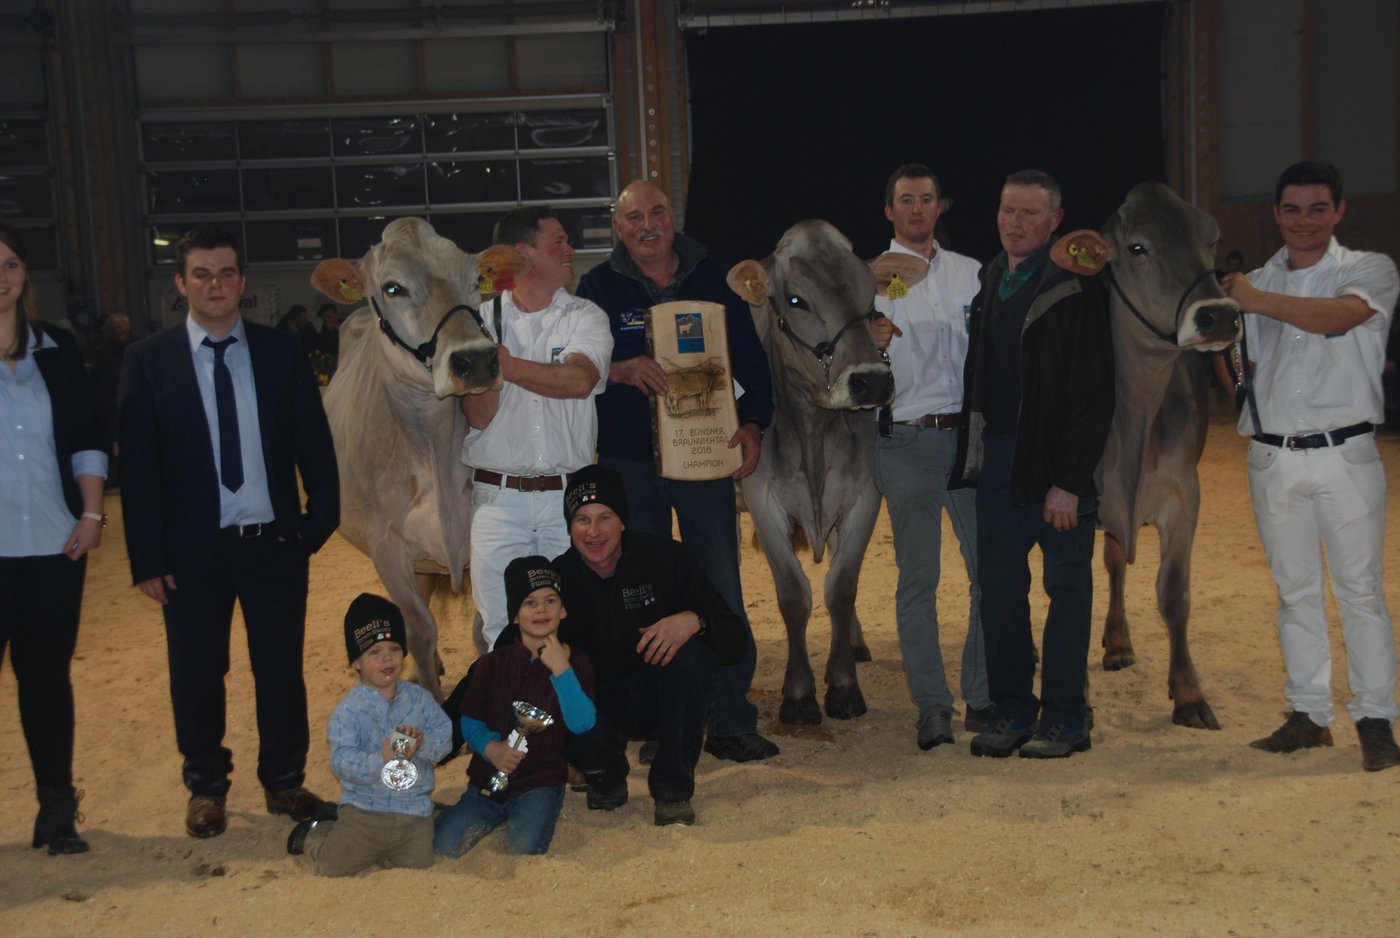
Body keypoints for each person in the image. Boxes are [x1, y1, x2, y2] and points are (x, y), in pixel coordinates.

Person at [118, 224, 340, 838]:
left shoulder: (280, 352)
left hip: (273, 544)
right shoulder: (148, 360)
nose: (214, 285)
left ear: (242, 282)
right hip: (191, 554)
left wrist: (314, 526)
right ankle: (206, 788)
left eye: (225, 274)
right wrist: (147, 557)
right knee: (195, 672)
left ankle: (285, 781)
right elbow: (136, 469)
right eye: (201, 274)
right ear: (180, 284)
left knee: (279, 668)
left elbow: (313, 447)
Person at [575, 180, 778, 763]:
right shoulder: (598, 287)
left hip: (705, 459)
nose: (647, 224)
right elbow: (583, 368)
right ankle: (663, 717)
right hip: (628, 461)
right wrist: (618, 368)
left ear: (673, 217)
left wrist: (754, 425)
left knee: (719, 584)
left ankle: (733, 717)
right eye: (633, 217)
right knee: (640, 593)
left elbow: (752, 366)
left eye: (657, 212)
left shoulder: (715, 276)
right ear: (618, 229)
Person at [1222, 160, 1400, 772]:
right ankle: (1309, 715)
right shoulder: (1253, 283)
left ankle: (1376, 718)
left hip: (1345, 453)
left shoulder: (1367, 270)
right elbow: (1239, 371)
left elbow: (1339, 318)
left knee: (1360, 592)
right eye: (1293, 210)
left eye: (1318, 208)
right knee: (1295, 594)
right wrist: (1226, 338)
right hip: (1273, 456)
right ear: (1276, 214)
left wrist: (1252, 300)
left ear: (1339, 212)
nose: (1304, 221)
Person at [951, 170, 1115, 760]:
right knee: (998, 591)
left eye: (1029, 215)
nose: (1015, 224)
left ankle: (1068, 716)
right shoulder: (993, 276)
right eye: (1007, 211)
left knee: (1066, 589)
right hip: (999, 461)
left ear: (1054, 222)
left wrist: (1070, 483)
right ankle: (1013, 709)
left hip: (1057, 468)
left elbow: (1095, 397)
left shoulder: (1078, 286)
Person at [867, 164, 990, 750]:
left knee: (987, 573)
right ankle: (933, 705)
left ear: (941, 207)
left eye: (927, 199)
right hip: (906, 439)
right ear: (889, 211)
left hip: (968, 437)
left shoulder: (972, 275)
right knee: (919, 578)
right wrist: (867, 333)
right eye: (906, 200)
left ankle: (983, 695)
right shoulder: (873, 282)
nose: (917, 209)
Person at [554, 465, 745, 826]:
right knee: (553, 676)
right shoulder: (558, 580)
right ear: (569, 526)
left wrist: (694, 621)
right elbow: (505, 660)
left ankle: (672, 790)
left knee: (694, 652)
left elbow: (735, 642)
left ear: (623, 521)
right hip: (594, 713)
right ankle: (605, 777)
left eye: (604, 518)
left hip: (657, 701)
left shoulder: (665, 559)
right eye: (581, 519)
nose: (593, 532)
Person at [0, 221, 107, 854]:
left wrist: (91, 514)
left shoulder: (57, 350)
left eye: (10, 265)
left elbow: (86, 435)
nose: (2, 278)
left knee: (45, 679)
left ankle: (56, 808)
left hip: (51, 545)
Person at [460, 206, 613, 650]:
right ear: (522, 254)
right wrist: (485, 367)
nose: (571, 250)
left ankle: (570, 718)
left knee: (574, 622)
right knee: (500, 631)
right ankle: (509, 720)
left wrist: (504, 365)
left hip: (566, 502)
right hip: (497, 500)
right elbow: (478, 416)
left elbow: (580, 381)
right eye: (559, 242)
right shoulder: (477, 321)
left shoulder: (585, 316)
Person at [434, 556, 597, 856]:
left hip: (540, 784)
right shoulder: (491, 664)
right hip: (485, 780)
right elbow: (469, 719)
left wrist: (562, 672)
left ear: (563, 610)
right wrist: (491, 748)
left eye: (550, 600)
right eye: (529, 602)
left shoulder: (578, 663)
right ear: (514, 615)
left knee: (523, 849)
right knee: (444, 846)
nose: (541, 609)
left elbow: (582, 723)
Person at [287, 593, 451, 874]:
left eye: (395, 648)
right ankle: (319, 834)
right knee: (332, 867)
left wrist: (421, 747)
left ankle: (392, 846)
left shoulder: (420, 700)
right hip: (364, 815)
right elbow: (341, 761)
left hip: (413, 815)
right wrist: (381, 759)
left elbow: (445, 737)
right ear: (356, 662)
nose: (387, 658)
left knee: (419, 866)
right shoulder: (348, 711)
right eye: (374, 652)